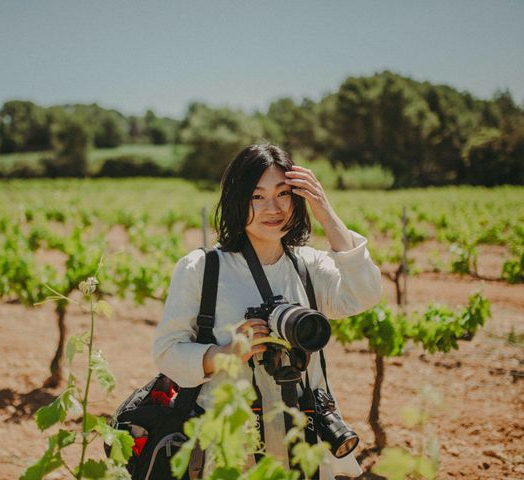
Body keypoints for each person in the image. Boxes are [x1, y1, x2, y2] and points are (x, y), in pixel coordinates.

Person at [152, 143, 382, 479]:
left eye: (284, 194)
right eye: (257, 196)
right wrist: (225, 353)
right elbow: (166, 351)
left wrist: (326, 212)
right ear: (236, 200)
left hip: (303, 436)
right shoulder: (203, 269)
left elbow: (366, 294)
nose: (272, 208)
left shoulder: (308, 265)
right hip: (231, 442)